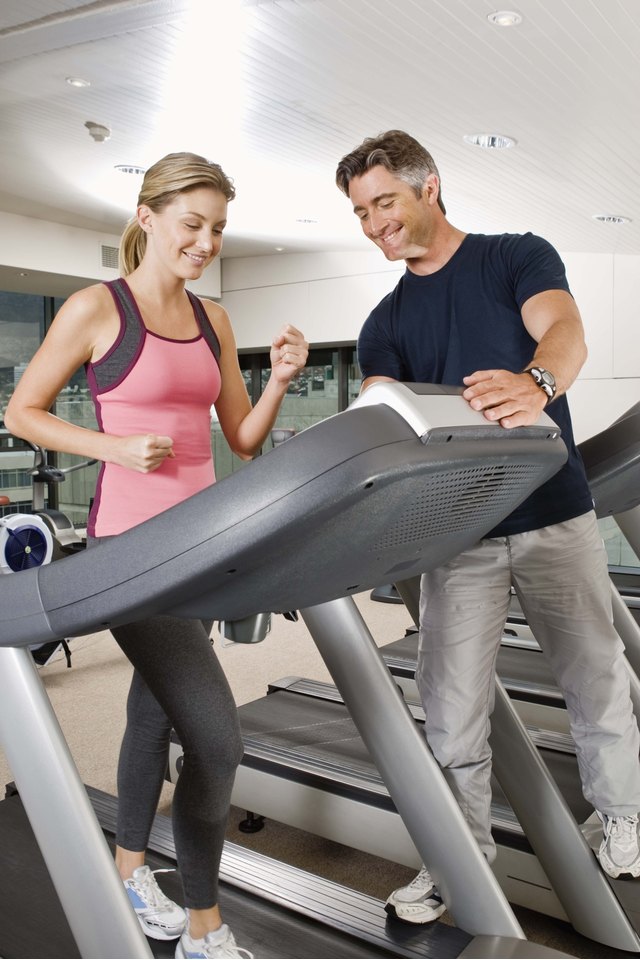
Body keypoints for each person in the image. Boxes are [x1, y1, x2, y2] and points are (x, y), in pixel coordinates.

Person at [5, 152, 308, 958]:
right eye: (192, 224)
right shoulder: (96, 309)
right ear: (148, 219)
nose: (206, 242)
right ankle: (206, 928)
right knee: (216, 740)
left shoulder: (215, 320)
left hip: (202, 550)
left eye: (217, 228)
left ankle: (131, 868)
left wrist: (277, 380)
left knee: (151, 710)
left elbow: (241, 439)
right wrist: (108, 444)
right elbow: (23, 411)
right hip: (129, 554)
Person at [335, 129, 640, 924]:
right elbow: (380, 419)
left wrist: (538, 382)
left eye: (385, 203)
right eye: (361, 213)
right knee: (450, 708)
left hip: (556, 516)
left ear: (428, 185)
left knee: (596, 680)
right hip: (457, 538)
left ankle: (626, 819)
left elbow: (565, 333)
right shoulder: (385, 322)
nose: (375, 225)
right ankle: (457, 861)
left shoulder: (516, 256)